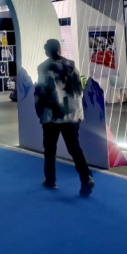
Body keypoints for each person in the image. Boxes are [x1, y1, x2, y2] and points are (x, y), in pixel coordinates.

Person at [34, 39, 95, 197]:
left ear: (47, 52)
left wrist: (40, 112)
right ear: (59, 49)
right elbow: (79, 89)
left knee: (50, 149)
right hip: (72, 115)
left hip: (52, 115)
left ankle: (50, 181)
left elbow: (41, 92)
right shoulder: (71, 65)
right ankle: (85, 177)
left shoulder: (43, 68)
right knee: (74, 148)